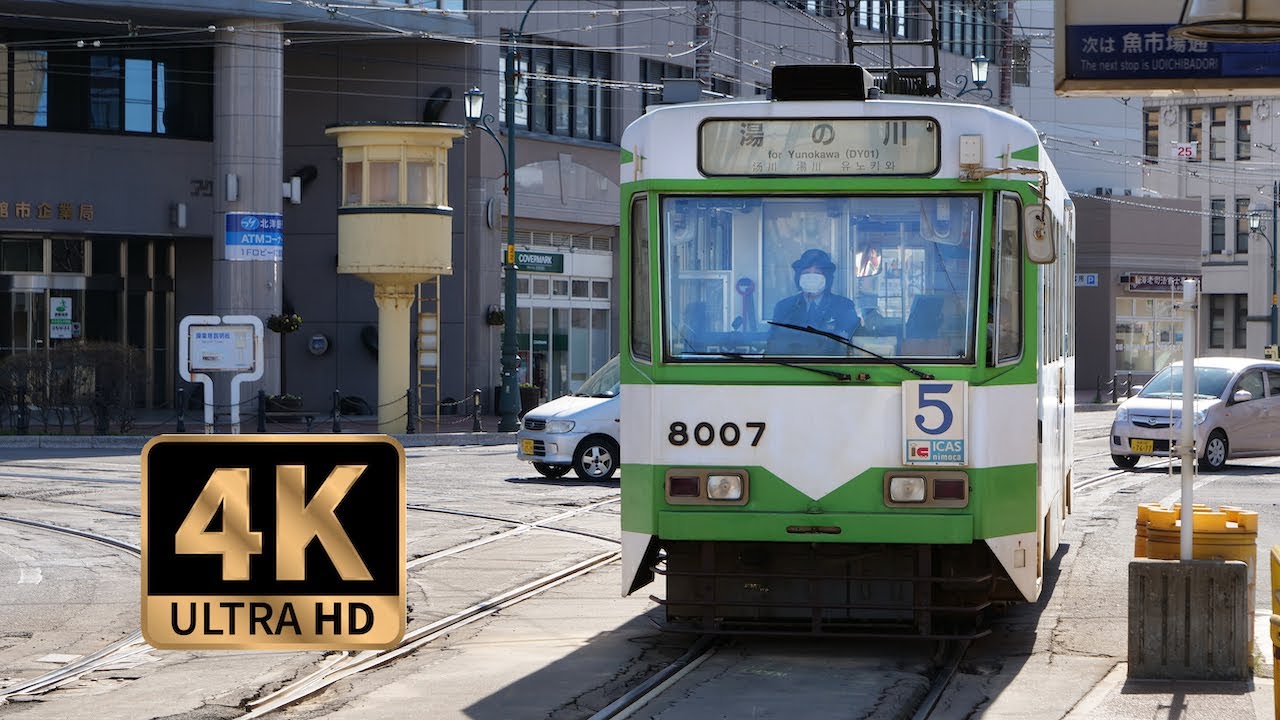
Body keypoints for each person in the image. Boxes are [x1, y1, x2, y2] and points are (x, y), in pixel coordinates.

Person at [767, 248, 860, 355]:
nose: (811, 277)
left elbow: (851, 347)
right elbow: (772, 345)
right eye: (806, 272)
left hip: (830, 368)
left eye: (817, 273)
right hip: (790, 367)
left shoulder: (844, 306)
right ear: (798, 278)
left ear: (828, 278)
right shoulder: (784, 307)